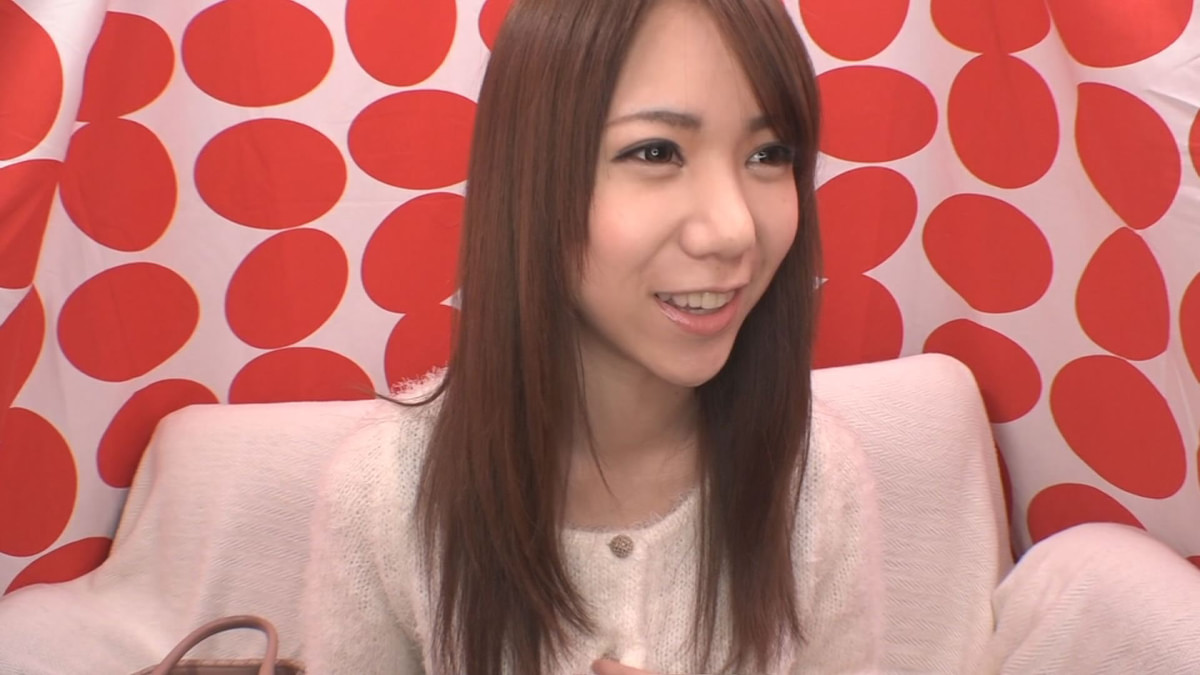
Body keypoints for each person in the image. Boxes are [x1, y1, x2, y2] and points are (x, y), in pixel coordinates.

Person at [300, 0, 883, 673]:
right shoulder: (389, 489)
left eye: (769, 154)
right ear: (531, 175)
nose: (734, 230)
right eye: (656, 152)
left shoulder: (814, 478)